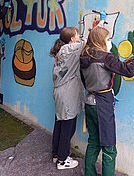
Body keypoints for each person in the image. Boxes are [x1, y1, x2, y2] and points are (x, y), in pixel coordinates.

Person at [80, 23, 134, 176]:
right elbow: (128, 71)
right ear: (100, 41)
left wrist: (106, 90)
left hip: (90, 102)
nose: (110, 41)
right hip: (102, 104)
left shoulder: (84, 57)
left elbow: (85, 81)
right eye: (108, 39)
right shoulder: (106, 57)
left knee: (93, 141)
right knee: (109, 147)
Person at [50, 27, 86, 170]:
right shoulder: (72, 49)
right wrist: (100, 22)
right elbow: (88, 41)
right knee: (67, 128)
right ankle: (63, 160)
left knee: (59, 124)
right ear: (72, 39)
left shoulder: (61, 51)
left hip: (60, 93)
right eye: (77, 34)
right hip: (67, 94)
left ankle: (56, 154)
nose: (79, 36)